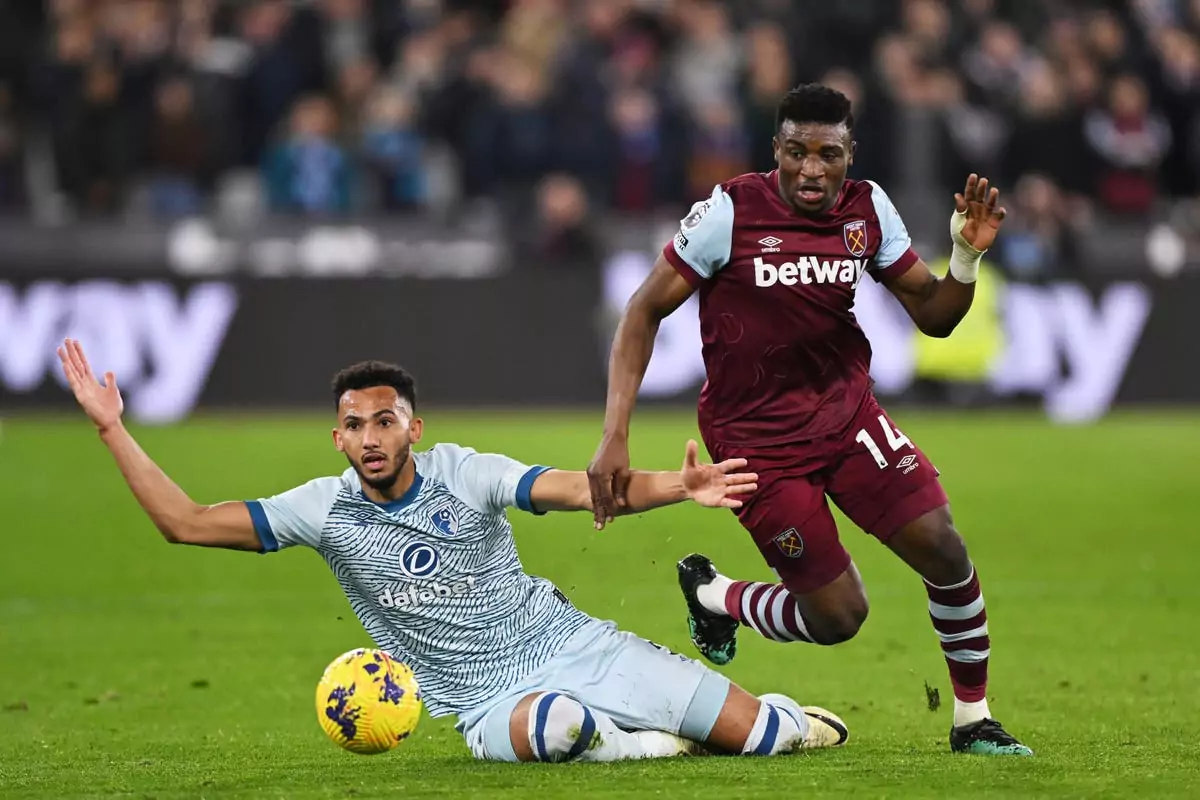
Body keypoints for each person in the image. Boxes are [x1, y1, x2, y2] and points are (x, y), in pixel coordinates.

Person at [57, 340, 848, 763]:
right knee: (554, 730)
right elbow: (187, 521)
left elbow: (581, 490)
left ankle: (767, 717)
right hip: (486, 703)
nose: (371, 439)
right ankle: (642, 745)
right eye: (356, 426)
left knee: (768, 744)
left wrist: (681, 488)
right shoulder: (320, 510)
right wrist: (110, 427)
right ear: (337, 437)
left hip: (572, 644)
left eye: (386, 421)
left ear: (413, 428)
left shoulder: (464, 475)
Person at [587, 83, 1032, 756]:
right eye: (796, 152)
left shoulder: (867, 210)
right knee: (838, 617)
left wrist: (965, 256)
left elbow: (936, 319)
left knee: (944, 548)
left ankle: (974, 721)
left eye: (828, 154)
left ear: (850, 153)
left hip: (847, 415)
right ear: (777, 150)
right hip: (756, 443)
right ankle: (717, 596)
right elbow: (643, 311)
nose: (811, 170)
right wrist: (615, 433)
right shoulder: (729, 212)